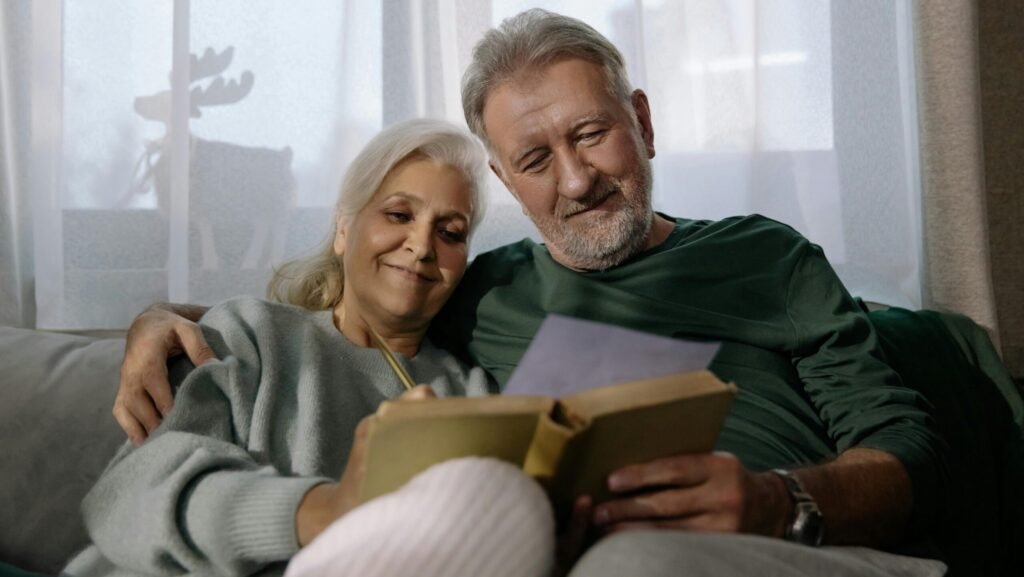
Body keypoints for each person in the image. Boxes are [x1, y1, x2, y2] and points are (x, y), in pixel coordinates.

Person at [112, 9, 952, 577]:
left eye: (592, 134)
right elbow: (351, 315)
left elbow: (908, 452)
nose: (579, 179)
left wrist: (781, 500)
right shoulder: (484, 290)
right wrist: (164, 319)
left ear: (644, 124)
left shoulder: (766, 255)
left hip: (784, 548)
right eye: (537, 159)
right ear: (508, 182)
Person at [62, 119, 559, 577]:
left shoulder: (468, 394)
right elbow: (125, 497)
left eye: (450, 232)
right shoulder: (249, 334)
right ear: (344, 229)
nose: (422, 245)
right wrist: (327, 508)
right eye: (399, 214)